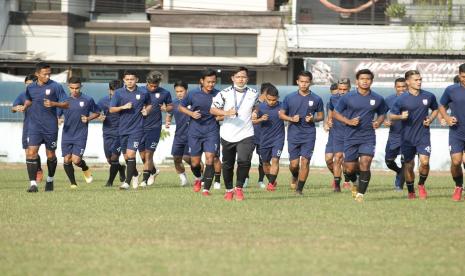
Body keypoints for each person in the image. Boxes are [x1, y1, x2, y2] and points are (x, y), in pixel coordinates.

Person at [333, 69, 387, 202]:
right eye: (362, 79)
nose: (365, 81)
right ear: (357, 81)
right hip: (351, 136)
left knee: (365, 162)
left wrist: (378, 122)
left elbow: (382, 113)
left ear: (371, 81)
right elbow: (335, 113)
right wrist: (349, 121)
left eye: (368, 79)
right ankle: (355, 181)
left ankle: (360, 194)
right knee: (349, 169)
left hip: (368, 136)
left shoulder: (377, 98)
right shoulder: (347, 97)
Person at [211, 67, 258, 201]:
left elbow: (256, 105)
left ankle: (239, 188)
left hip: (246, 133)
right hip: (228, 134)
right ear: (233, 78)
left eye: (243, 77)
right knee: (228, 164)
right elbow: (212, 110)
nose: (241, 79)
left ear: (247, 79)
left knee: (244, 161)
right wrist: (226, 113)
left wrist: (255, 112)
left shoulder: (253, 93)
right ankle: (229, 190)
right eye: (238, 77)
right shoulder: (224, 93)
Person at [390, 70, 438, 200]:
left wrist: (431, 119)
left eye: (420, 79)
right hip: (406, 138)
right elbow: (391, 115)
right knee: (408, 165)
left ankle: (421, 185)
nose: (419, 82)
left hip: (423, 135)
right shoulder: (401, 99)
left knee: (425, 162)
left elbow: (435, 109)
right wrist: (400, 116)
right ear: (408, 82)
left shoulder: (429, 96)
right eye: (416, 80)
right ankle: (411, 191)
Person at [22, 62, 69, 192]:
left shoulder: (56, 86)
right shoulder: (30, 87)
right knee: (31, 153)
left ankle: (50, 180)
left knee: (50, 155)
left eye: (49, 73)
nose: (47, 76)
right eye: (45, 74)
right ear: (37, 74)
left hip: (50, 126)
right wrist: (25, 106)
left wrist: (54, 103)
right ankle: (33, 184)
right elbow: (29, 99)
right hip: (34, 126)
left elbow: (66, 104)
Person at [279, 71, 324, 195]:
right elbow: (281, 114)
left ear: (310, 83)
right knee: (294, 165)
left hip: (309, 134)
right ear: (297, 82)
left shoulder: (316, 99)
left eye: (307, 82)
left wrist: (313, 119)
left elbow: (321, 116)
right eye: (302, 81)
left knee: (305, 161)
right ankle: (294, 175)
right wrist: (291, 119)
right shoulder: (289, 97)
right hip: (293, 134)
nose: (304, 84)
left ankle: (299, 189)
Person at [179, 69, 220, 195]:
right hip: (195, 131)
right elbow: (181, 107)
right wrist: (191, 113)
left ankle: (206, 189)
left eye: (213, 82)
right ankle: (198, 178)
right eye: (208, 82)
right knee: (195, 162)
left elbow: (224, 111)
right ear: (202, 81)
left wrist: (220, 116)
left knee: (210, 158)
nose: (211, 84)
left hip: (212, 131)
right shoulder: (193, 94)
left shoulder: (219, 94)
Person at [110, 70, 152, 190]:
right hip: (122, 129)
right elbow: (112, 109)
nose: (129, 81)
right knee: (127, 157)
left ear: (136, 80)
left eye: (132, 79)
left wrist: (146, 111)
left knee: (131, 153)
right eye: (127, 79)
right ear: (124, 80)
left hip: (137, 129)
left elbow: (149, 104)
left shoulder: (143, 92)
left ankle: (126, 183)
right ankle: (134, 175)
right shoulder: (118, 93)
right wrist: (123, 107)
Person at [59, 77, 99, 188]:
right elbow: (57, 114)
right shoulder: (64, 100)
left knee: (76, 160)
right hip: (66, 134)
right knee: (67, 159)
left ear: (81, 87)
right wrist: (58, 119)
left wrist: (88, 118)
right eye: (72, 88)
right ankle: (73, 183)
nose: (74, 90)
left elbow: (97, 112)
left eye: (77, 88)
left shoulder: (88, 99)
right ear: (68, 87)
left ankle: (85, 168)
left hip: (80, 134)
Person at [139, 71, 173, 188]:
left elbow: (170, 106)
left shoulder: (165, 93)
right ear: (147, 82)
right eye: (151, 85)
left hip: (154, 127)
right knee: (143, 156)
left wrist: (166, 108)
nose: (153, 88)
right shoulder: (140, 91)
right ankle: (153, 171)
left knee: (149, 155)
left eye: (156, 86)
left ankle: (144, 181)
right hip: (139, 127)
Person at [438, 64, 465, 201]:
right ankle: (458, 186)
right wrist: (446, 118)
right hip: (457, 132)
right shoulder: (451, 90)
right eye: (463, 76)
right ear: (459, 75)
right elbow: (441, 105)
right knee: (456, 161)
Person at [11, 74, 44, 183]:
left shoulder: (43, 94)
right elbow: (13, 108)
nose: (28, 87)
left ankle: (38, 171)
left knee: (41, 152)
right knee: (28, 152)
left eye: (30, 85)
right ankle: (36, 172)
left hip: (42, 126)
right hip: (28, 126)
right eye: (26, 85)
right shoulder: (22, 95)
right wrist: (17, 108)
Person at [252, 84, 284, 191]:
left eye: (274, 100)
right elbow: (253, 121)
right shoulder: (259, 107)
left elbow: (291, 117)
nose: (271, 102)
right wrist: (260, 119)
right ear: (266, 97)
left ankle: (270, 184)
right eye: (269, 100)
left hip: (278, 138)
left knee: (275, 160)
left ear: (278, 98)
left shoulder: (283, 106)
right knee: (265, 163)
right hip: (264, 139)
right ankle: (272, 180)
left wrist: (286, 116)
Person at [166, 80, 196, 186]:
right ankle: (183, 179)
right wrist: (168, 122)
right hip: (179, 135)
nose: (179, 93)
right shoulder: (173, 103)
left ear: (186, 90)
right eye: (177, 91)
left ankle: (201, 176)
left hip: (192, 134)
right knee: (176, 158)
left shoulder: (193, 101)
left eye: (181, 91)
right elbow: (169, 114)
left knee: (188, 158)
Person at [97, 80, 126, 187]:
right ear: (109, 90)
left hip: (121, 132)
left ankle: (110, 182)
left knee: (114, 157)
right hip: (107, 132)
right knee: (109, 159)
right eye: (114, 91)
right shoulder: (103, 101)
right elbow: (97, 112)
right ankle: (121, 168)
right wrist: (100, 116)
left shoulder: (125, 101)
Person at [325, 78, 351, 192]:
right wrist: (328, 121)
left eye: (345, 89)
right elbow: (331, 110)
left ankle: (347, 179)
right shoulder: (333, 98)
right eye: (340, 89)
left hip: (351, 133)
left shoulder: (355, 99)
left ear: (349, 89)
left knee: (348, 163)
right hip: (336, 133)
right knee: (331, 159)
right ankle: (337, 183)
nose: (342, 91)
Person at [384, 78, 407, 191]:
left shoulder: (412, 99)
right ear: (395, 87)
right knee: (388, 161)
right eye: (399, 87)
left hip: (409, 136)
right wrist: (385, 121)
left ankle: (399, 185)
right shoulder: (389, 99)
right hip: (394, 135)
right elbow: (381, 113)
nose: (401, 89)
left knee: (405, 162)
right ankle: (398, 172)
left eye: (403, 86)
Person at [251, 83, 273, 189]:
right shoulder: (253, 102)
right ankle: (245, 179)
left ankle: (260, 180)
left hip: (263, 136)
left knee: (263, 160)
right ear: (264, 93)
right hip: (250, 134)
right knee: (246, 158)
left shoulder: (271, 104)